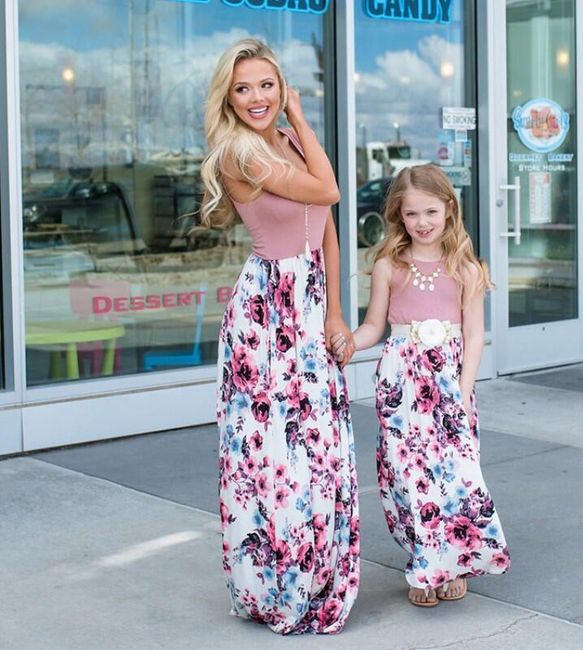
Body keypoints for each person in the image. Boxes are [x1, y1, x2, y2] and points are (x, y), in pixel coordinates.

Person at [200, 39, 359, 634]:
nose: (256, 97)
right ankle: (276, 584)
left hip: (310, 305)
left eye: (266, 85)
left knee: (318, 447)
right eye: (243, 88)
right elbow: (330, 190)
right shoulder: (240, 153)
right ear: (229, 98)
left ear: (281, 84)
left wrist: (338, 312)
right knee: (273, 452)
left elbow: (328, 230)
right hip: (267, 316)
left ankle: (319, 573)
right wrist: (298, 116)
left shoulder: (284, 143)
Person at [347, 164, 510, 607]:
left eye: (431, 212)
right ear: (399, 216)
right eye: (411, 214)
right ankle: (425, 562)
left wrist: (461, 389)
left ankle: (453, 562)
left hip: (450, 382)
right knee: (409, 478)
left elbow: (474, 334)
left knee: (455, 476)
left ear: (449, 209)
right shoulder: (389, 265)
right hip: (401, 384)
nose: (422, 223)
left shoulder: (467, 268)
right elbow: (373, 326)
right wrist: (346, 343)